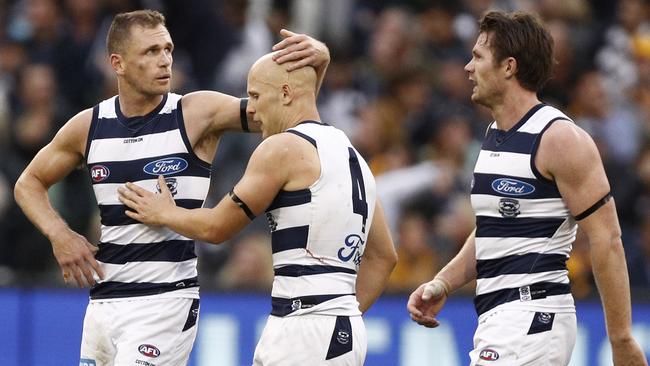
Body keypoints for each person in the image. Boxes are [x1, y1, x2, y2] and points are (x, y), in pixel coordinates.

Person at [13, 9, 330, 366]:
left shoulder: (197, 112)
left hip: (165, 301)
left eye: (168, 49)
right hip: (103, 302)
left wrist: (319, 63)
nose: (165, 60)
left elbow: (289, 113)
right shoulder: (89, 126)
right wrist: (60, 234)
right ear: (117, 63)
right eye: (151, 52)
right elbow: (28, 183)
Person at [117, 52, 398, 365]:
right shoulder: (354, 156)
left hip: (308, 326)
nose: (250, 108)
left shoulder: (284, 147)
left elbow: (217, 227)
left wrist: (165, 212)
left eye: (254, 95)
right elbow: (384, 257)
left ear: (285, 94)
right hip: (323, 324)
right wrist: (344, 314)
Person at [407, 11, 648, 366]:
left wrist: (621, 338)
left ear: (509, 66)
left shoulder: (559, 138)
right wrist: (443, 282)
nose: (467, 68)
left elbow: (607, 239)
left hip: (533, 314)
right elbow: (493, 229)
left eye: (477, 57)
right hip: (498, 318)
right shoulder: (493, 136)